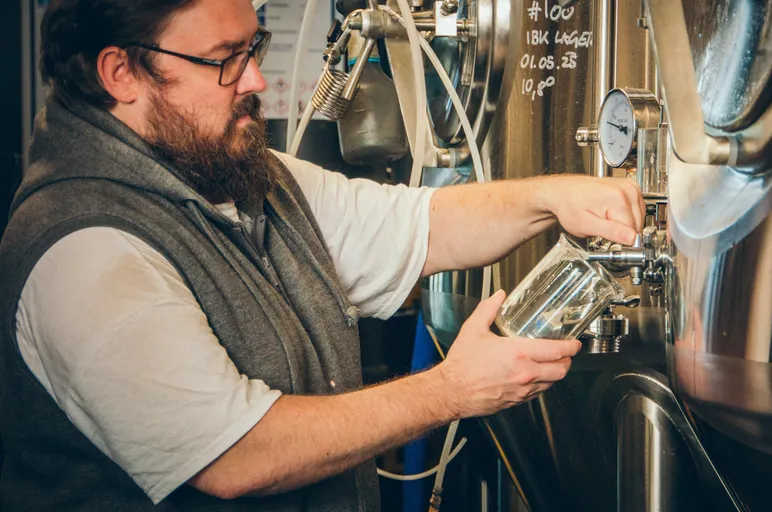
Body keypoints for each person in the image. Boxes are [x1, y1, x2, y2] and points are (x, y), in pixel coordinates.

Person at [0, 0, 645, 510]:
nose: (255, 79)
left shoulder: (237, 174)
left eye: (253, 47)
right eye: (225, 58)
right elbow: (237, 457)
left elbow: (422, 226)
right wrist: (454, 390)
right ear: (122, 74)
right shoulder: (80, 251)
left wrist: (553, 196)